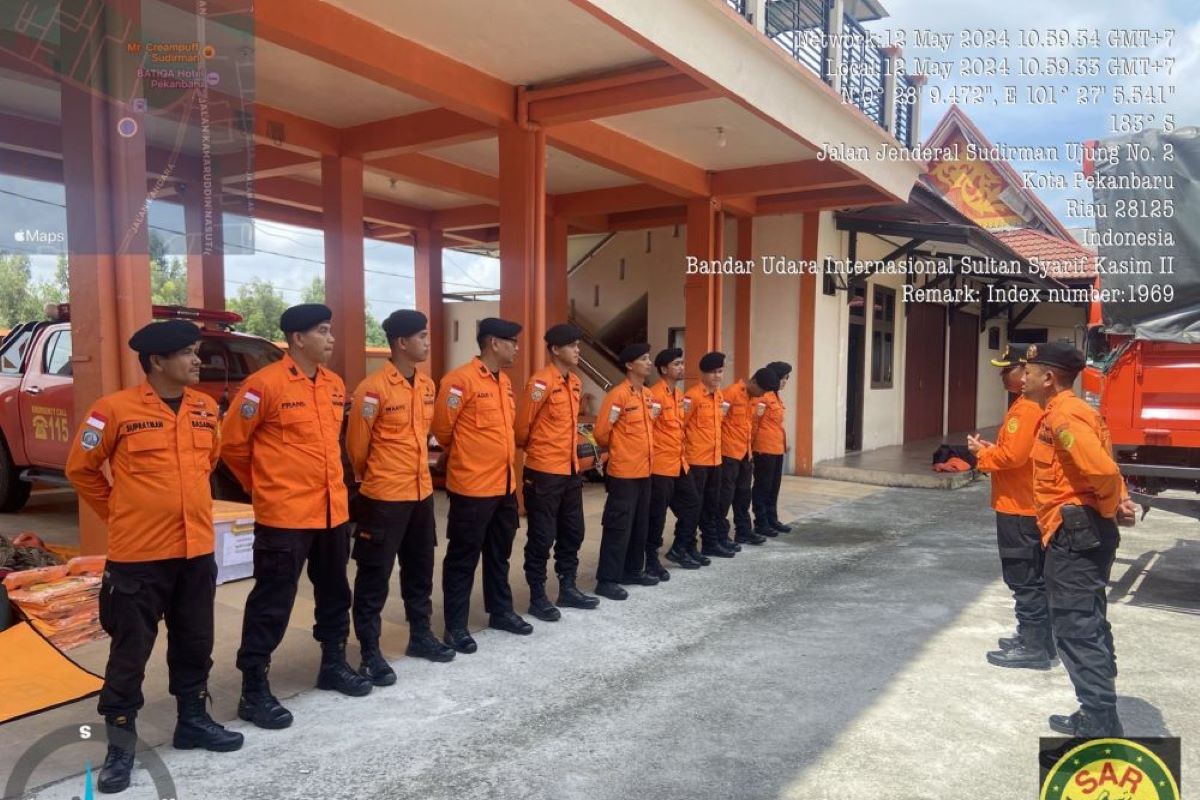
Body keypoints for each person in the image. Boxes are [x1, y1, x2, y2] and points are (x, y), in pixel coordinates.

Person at [66, 320, 242, 794]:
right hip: (138, 557)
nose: (196, 360)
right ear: (157, 362)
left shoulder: (206, 409)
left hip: (195, 551)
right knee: (129, 654)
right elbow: (80, 470)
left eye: (196, 351)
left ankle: (193, 722)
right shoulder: (114, 411)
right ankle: (120, 746)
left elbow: (209, 463)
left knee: (195, 643)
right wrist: (119, 511)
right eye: (187, 353)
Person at [223, 304, 372, 731]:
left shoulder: (334, 385)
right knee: (273, 601)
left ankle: (333, 664)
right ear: (297, 339)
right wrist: (261, 487)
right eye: (323, 332)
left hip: (331, 512)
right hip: (284, 515)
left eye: (331, 331)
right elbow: (232, 446)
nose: (331, 339)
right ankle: (254, 689)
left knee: (334, 593)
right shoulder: (263, 386)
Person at [1021, 342, 1137, 737]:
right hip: (1082, 528)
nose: (1023, 377)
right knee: (1088, 619)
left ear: (1049, 378)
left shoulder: (1065, 417)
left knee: (1076, 626)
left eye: (1029, 371)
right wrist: (1116, 503)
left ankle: (1100, 719)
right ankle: (1099, 709)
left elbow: (1102, 471)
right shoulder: (1074, 411)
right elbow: (1107, 470)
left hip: (1077, 532)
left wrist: (1109, 507)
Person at [345, 310, 455, 687]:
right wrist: (376, 477)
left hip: (421, 493)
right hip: (383, 496)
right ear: (401, 343)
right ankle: (370, 653)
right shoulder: (371, 389)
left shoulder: (427, 385)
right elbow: (357, 448)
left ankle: (420, 635)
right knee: (375, 576)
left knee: (420, 568)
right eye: (422, 336)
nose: (427, 342)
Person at [432, 317, 531, 653]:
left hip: (504, 486)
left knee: (499, 554)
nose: (517, 348)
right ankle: (456, 626)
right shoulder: (459, 381)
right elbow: (443, 431)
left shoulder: (503, 383)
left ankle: (500, 611)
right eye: (512, 342)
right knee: (462, 558)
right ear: (494, 343)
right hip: (472, 487)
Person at [966, 345, 1055, 671]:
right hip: (1025, 503)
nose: (1002, 375)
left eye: (1007, 370)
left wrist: (982, 456)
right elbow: (1017, 452)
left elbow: (1012, 458)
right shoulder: (1030, 405)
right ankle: (1038, 639)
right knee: (1033, 576)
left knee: (1023, 576)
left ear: (1025, 372)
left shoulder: (1026, 409)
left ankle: (1033, 646)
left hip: (1019, 507)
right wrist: (994, 449)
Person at [515, 323, 600, 621]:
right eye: (572, 345)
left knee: (573, 531)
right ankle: (537, 595)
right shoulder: (540, 383)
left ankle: (568, 587)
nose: (577, 350)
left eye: (578, 345)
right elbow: (522, 429)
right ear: (554, 349)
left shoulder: (574, 383)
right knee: (541, 536)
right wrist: (542, 451)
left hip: (570, 470)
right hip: (544, 471)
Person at [592, 343, 657, 599]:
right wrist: (621, 450)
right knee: (618, 526)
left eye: (649, 358)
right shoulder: (618, 395)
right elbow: (600, 434)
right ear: (630, 365)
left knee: (640, 524)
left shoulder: (647, 395)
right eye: (644, 359)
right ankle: (607, 579)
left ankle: (632, 570)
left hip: (645, 470)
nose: (648, 363)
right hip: (624, 472)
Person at [650, 348, 703, 574]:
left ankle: (680, 548)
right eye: (676, 364)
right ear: (664, 369)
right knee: (657, 515)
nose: (681, 367)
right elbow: (648, 430)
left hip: (680, 462)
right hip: (660, 465)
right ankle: (650, 559)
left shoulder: (679, 396)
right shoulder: (655, 396)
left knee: (693, 504)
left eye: (682, 363)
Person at [718, 368, 778, 547]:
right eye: (761, 390)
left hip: (745, 453)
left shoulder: (755, 399)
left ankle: (743, 531)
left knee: (744, 494)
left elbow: (750, 425)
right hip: (728, 453)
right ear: (752, 381)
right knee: (724, 497)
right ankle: (720, 535)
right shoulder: (731, 393)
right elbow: (717, 421)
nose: (762, 394)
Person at [683, 352, 733, 559]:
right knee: (695, 506)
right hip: (697, 461)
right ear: (702, 374)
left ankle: (710, 543)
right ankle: (689, 546)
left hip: (715, 459)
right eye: (712, 373)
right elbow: (681, 426)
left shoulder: (719, 396)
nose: (717, 376)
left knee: (712, 504)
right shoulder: (692, 397)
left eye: (720, 372)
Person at [752, 361, 793, 537]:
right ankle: (761, 522)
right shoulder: (764, 397)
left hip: (777, 448)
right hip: (764, 448)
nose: (785, 382)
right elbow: (755, 423)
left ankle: (772, 518)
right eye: (784, 378)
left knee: (774, 486)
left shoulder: (775, 396)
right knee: (763, 486)